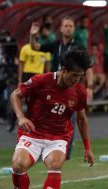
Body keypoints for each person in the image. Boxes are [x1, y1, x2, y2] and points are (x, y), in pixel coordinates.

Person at [10, 49, 94, 189]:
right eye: (74, 76)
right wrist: (21, 117)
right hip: (33, 133)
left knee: (55, 163)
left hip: (58, 137)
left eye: (80, 77)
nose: (77, 80)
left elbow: (81, 118)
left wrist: (87, 147)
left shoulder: (79, 92)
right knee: (17, 165)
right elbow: (16, 95)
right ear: (63, 69)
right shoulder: (42, 81)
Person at [30, 16, 94, 160]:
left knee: (70, 121)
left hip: (71, 88)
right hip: (55, 87)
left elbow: (88, 68)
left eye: (71, 26)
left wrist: (89, 87)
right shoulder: (55, 45)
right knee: (48, 118)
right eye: (65, 26)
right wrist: (33, 35)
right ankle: (43, 148)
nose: (68, 28)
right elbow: (35, 47)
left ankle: (65, 153)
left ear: (74, 29)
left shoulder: (78, 46)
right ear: (60, 28)